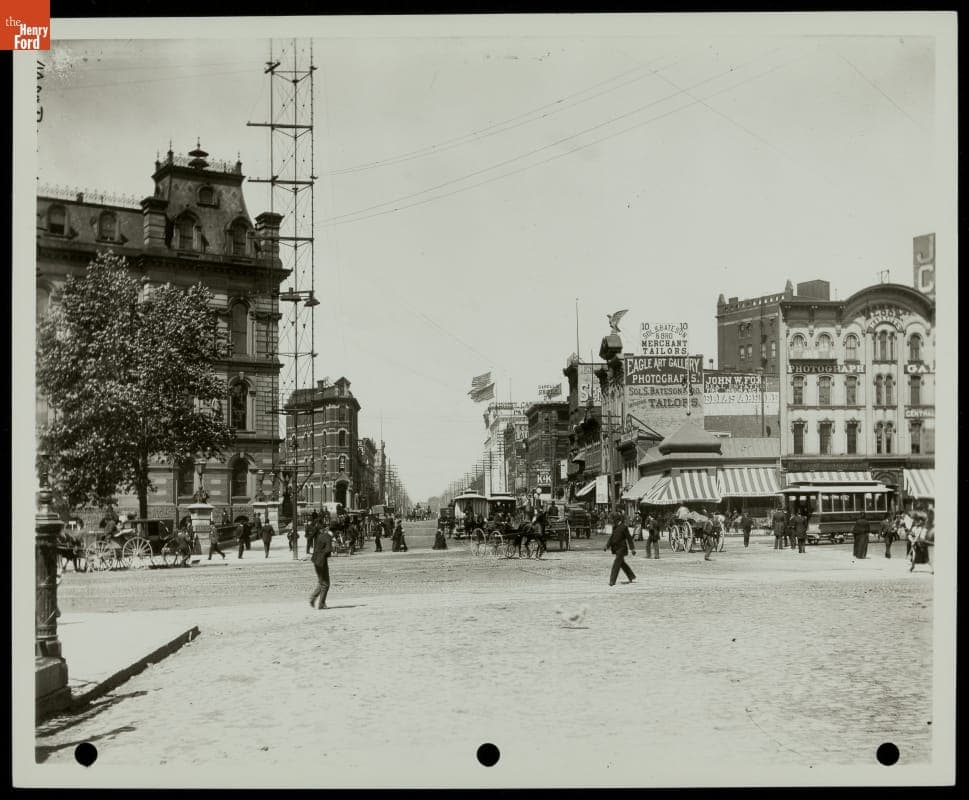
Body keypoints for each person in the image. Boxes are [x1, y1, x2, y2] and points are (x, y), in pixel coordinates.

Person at [604, 512, 636, 585]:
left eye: (613, 520)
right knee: (622, 563)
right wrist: (607, 546)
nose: (612, 521)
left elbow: (629, 538)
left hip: (622, 548)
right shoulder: (614, 527)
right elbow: (612, 537)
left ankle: (612, 581)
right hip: (616, 548)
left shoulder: (624, 527)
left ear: (617, 520)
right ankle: (631, 576)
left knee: (616, 564)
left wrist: (632, 549)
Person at [309, 522, 334, 609]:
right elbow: (328, 550)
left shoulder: (319, 536)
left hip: (315, 560)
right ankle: (321, 603)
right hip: (322, 561)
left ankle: (313, 598)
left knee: (321, 582)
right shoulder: (327, 536)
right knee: (326, 584)